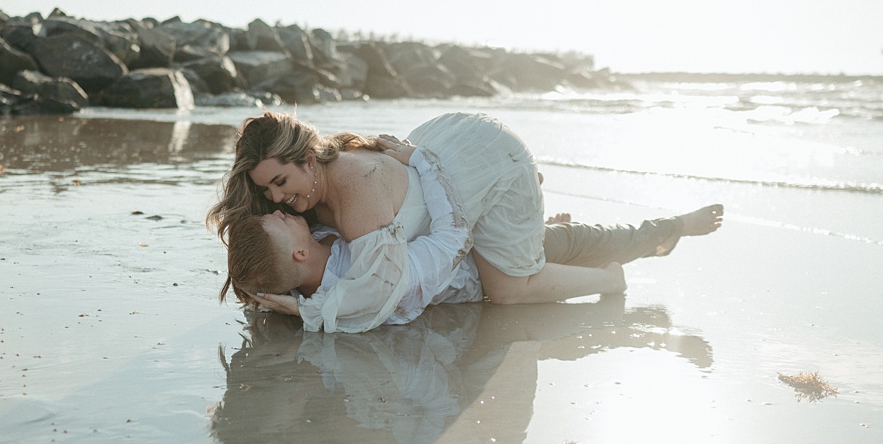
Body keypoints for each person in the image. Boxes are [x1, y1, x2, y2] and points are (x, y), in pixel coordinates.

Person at [208, 111, 723, 332]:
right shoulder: (308, 204)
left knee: (510, 287)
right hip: (448, 178)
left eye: (280, 182)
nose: (278, 200)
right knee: (544, 244)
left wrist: (307, 314)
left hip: (484, 165)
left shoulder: (355, 187)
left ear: (306, 158)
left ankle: (644, 250)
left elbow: (376, 293)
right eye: (267, 190)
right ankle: (663, 230)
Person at [226, 142, 482, 329]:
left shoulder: (302, 269)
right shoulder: (385, 278)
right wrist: (424, 160)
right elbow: (455, 239)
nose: (280, 210)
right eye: (280, 221)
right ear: (300, 254)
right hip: (476, 272)